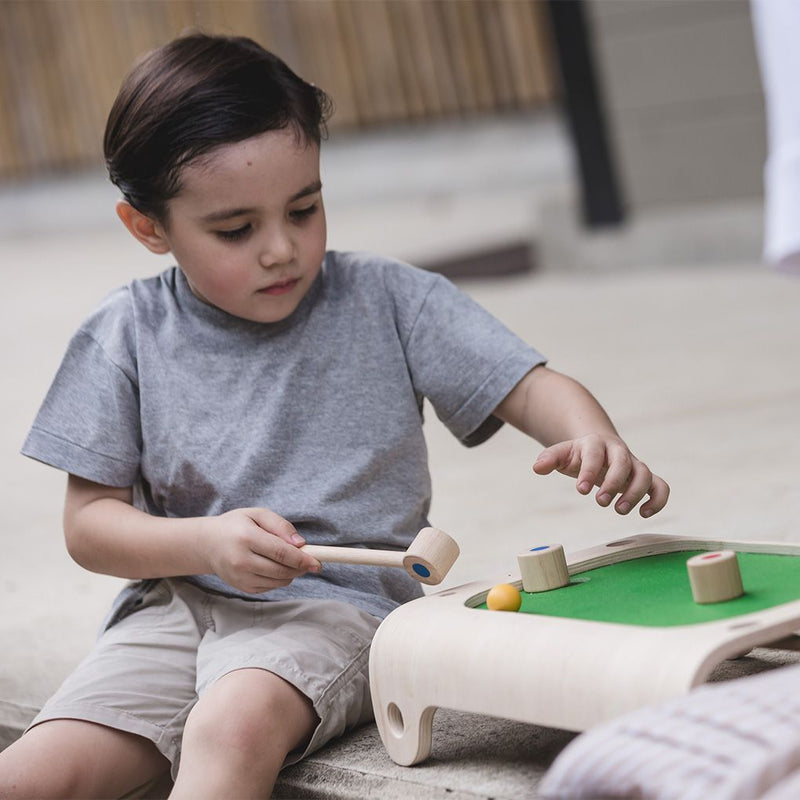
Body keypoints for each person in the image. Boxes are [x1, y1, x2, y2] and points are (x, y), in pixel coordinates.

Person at [0, 33, 669, 799]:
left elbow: (530, 386)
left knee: (231, 726)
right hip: (173, 609)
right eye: (235, 230)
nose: (282, 249)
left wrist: (591, 435)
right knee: (30, 776)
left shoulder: (388, 299)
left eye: (305, 207)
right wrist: (205, 545)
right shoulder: (123, 334)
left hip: (332, 611)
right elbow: (90, 528)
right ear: (149, 228)